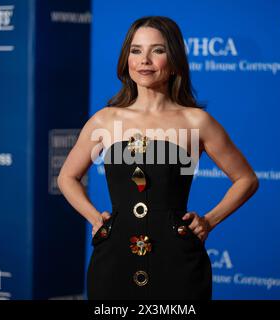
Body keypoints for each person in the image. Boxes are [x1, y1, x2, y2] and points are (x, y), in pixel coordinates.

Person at [57, 16, 259, 300]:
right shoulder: (104, 120)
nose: (145, 60)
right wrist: (95, 218)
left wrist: (210, 221)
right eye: (136, 50)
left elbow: (246, 179)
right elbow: (67, 177)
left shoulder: (196, 121)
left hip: (178, 260)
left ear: (174, 59)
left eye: (158, 50)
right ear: (126, 58)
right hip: (114, 259)